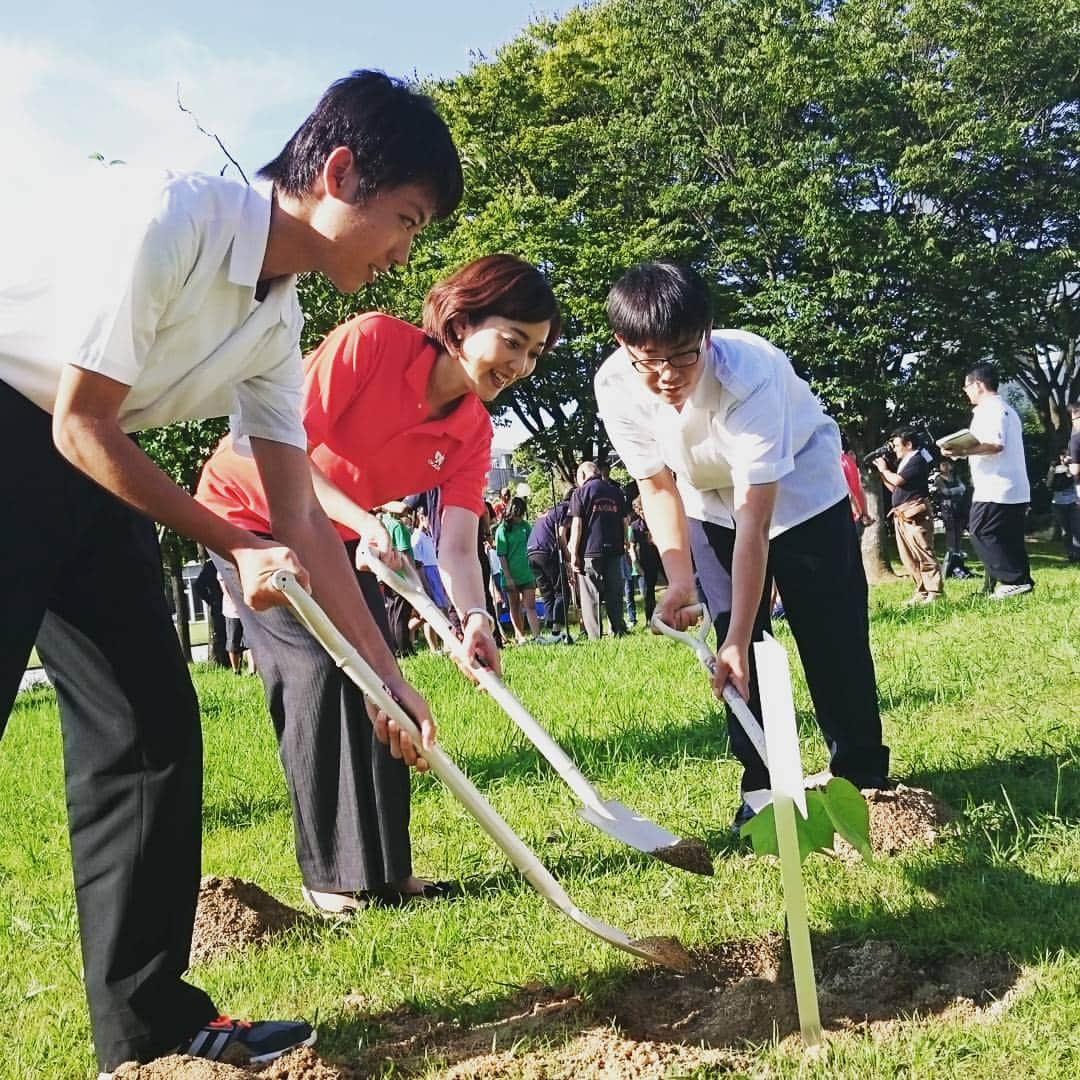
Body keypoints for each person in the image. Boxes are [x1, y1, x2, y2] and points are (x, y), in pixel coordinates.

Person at [0, 69, 461, 1074]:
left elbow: (296, 517)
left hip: (84, 458)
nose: (402, 254)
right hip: (25, 421)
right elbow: (80, 422)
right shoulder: (175, 218)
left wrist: (385, 676)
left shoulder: (276, 323)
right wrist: (230, 540)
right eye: (405, 220)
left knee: (148, 732)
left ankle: (153, 1034)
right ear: (337, 173)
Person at [197, 254, 559, 916]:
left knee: (382, 674)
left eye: (533, 353)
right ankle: (331, 878)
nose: (520, 365)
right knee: (321, 669)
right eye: (512, 340)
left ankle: (388, 872)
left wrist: (475, 617)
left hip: (332, 531)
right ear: (462, 317)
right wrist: (366, 522)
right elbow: (281, 448)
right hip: (245, 513)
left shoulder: (472, 430)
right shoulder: (372, 341)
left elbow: (455, 542)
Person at [595, 261, 889, 831]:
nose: (667, 374)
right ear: (624, 343)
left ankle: (862, 779)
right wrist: (680, 580)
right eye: (650, 358)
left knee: (830, 629)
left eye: (683, 354)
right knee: (739, 641)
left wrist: (733, 637)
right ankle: (763, 786)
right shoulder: (615, 385)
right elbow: (656, 486)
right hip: (707, 499)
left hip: (801, 489)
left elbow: (756, 522)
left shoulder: (750, 371)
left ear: (706, 333)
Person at [942, 364, 1033, 598]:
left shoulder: (989, 410)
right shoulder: (1007, 410)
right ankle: (1021, 580)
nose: (965, 391)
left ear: (978, 385)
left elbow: (995, 444)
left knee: (981, 531)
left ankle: (1011, 580)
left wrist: (961, 451)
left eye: (967, 386)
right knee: (1009, 535)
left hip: (996, 486)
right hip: (1015, 486)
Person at [872, 430, 943, 605]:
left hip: (915, 513)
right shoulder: (904, 462)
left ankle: (935, 592)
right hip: (901, 514)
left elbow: (897, 481)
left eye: (896, 445)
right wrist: (882, 474)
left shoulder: (917, 459)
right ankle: (922, 591)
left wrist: (884, 469)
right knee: (908, 557)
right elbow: (894, 488)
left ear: (908, 444)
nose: (894, 449)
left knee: (923, 552)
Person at [567, 461, 629, 639]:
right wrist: (624, 543)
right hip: (614, 548)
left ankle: (595, 636)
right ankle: (618, 630)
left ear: (583, 476)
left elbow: (577, 524)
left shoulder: (580, 492)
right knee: (614, 592)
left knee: (590, 596)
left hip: (589, 550)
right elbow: (624, 521)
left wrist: (574, 554)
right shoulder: (615, 492)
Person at [495, 496, 542, 643]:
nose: (520, 517)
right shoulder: (502, 530)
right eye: (518, 514)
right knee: (514, 606)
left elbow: (532, 545)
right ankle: (519, 635)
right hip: (511, 574)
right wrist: (508, 577)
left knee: (530, 605)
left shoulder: (525, 526)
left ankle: (536, 635)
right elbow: (502, 555)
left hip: (527, 573)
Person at [527, 493, 573, 642]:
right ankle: (556, 631)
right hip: (547, 550)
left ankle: (551, 629)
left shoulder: (551, 510)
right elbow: (561, 536)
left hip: (531, 551)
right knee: (562, 591)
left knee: (547, 593)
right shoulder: (566, 509)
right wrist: (569, 558)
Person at [932, 457, 974, 578]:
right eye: (942, 464)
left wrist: (955, 490)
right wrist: (956, 490)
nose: (945, 467)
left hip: (959, 507)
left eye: (947, 464)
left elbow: (963, 488)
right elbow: (946, 492)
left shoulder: (956, 477)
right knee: (951, 534)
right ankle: (951, 559)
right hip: (948, 509)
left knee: (959, 533)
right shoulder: (939, 479)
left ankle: (958, 557)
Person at [628, 497, 663, 623]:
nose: (642, 513)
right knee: (647, 592)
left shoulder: (657, 521)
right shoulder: (635, 526)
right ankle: (650, 619)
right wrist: (636, 564)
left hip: (661, 558)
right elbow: (631, 546)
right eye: (640, 510)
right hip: (645, 561)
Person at [193, 558, 229, 667]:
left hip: (218, 603)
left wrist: (210, 600)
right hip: (222, 603)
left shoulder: (211, 565)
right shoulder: (221, 562)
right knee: (227, 635)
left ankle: (226, 662)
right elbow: (198, 586)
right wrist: (210, 600)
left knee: (223, 636)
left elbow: (198, 586)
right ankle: (227, 662)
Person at [1046, 452, 1080, 562]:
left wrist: (1070, 471)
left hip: (1074, 502)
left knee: (1076, 529)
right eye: (1063, 455)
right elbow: (1049, 485)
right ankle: (1071, 555)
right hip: (1058, 504)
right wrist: (1053, 470)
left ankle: (1077, 555)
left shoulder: (1075, 467)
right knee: (1065, 531)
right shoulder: (1056, 468)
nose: (1065, 458)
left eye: (1068, 455)